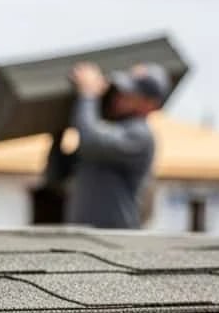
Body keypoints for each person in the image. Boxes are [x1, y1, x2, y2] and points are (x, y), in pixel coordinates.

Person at [64, 62, 171, 230]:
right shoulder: (110, 129)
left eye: (130, 93)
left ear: (150, 104)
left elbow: (91, 140)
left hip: (114, 240)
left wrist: (88, 94)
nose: (119, 96)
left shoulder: (139, 135)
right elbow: (60, 173)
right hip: (84, 236)